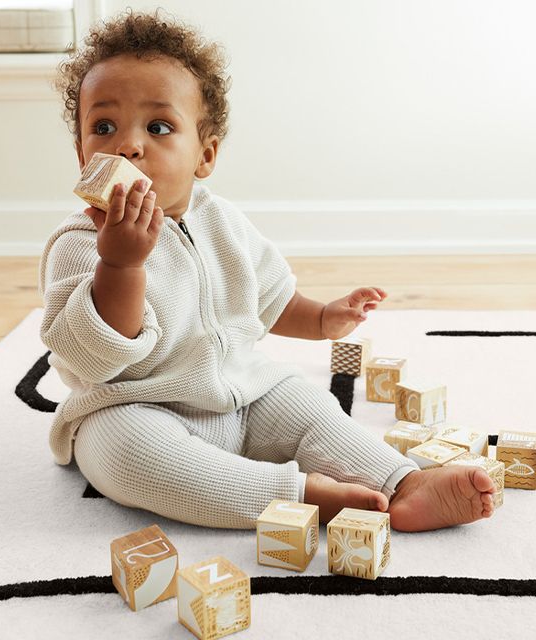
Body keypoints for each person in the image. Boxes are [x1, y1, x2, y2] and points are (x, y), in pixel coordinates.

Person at [40, 9, 496, 531]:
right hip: (139, 406)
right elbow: (88, 360)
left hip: (243, 393)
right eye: (104, 127)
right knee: (118, 454)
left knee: (305, 403)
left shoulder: (224, 222)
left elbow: (269, 298)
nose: (128, 145)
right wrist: (120, 263)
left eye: (159, 127)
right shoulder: (80, 244)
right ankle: (296, 496)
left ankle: (403, 482)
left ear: (204, 155)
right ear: (82, 156)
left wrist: (323, 317)